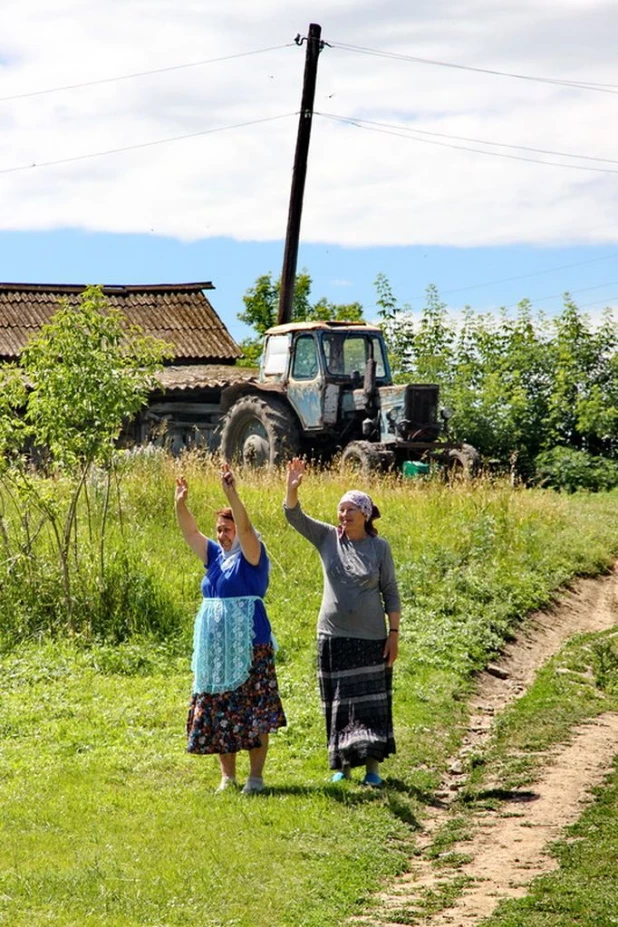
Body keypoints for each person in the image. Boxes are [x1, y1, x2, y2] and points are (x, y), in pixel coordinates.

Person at [283, 458, 401, 787]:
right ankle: (342, 768)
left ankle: (373, 771)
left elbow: (390, 592)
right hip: (332, 636)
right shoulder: (327, 539)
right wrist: (292, 489)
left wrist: (394, 634)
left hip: (371, 638)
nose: (344, 516)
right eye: (341, 510)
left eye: (351, 511)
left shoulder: (379, 548)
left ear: (365, 514)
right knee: (336, 702)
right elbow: (294, 516)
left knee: (371, 704)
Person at [175, 463, 286, 794]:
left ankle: (255, 778)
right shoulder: (215, 558)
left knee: (253, 711)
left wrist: (231, 494)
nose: (221, 535)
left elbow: (248, 529)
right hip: (217, 650)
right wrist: (180, 504)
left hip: (251, 646)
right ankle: (228, 777)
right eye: (219, 530)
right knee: (221, 710)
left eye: (227, 529)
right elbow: (191, 533)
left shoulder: (252, 556)